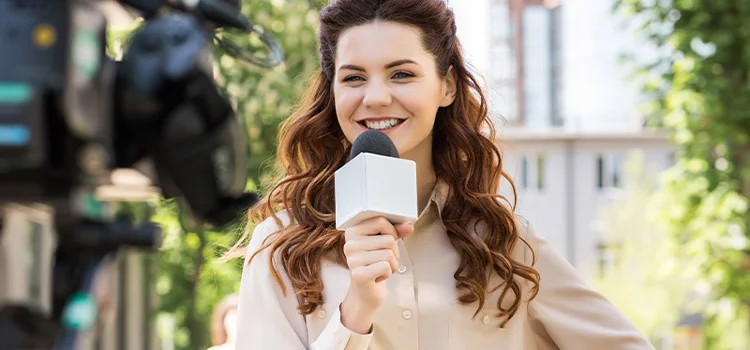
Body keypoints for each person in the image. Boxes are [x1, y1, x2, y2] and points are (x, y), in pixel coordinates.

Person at [229, 0, 655, 349]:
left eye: (402, 74)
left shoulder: (502, 244)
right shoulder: (281, 243)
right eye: (354, 78)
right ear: (334, 90)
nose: (375, 97)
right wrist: (354, 312)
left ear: (446, 86)